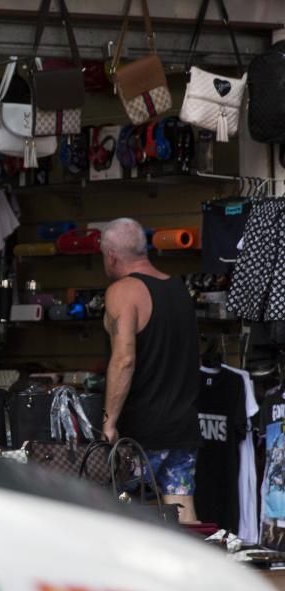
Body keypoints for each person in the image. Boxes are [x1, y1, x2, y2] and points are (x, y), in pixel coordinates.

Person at [100, 218, 203, 523]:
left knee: (129, 518)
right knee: (183, 514)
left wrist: (109, 422)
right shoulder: (178, 290)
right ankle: (194, 570)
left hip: (140, 431)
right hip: (181, 425)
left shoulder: (123, 291)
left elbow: (124, 360)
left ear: (111, 256)